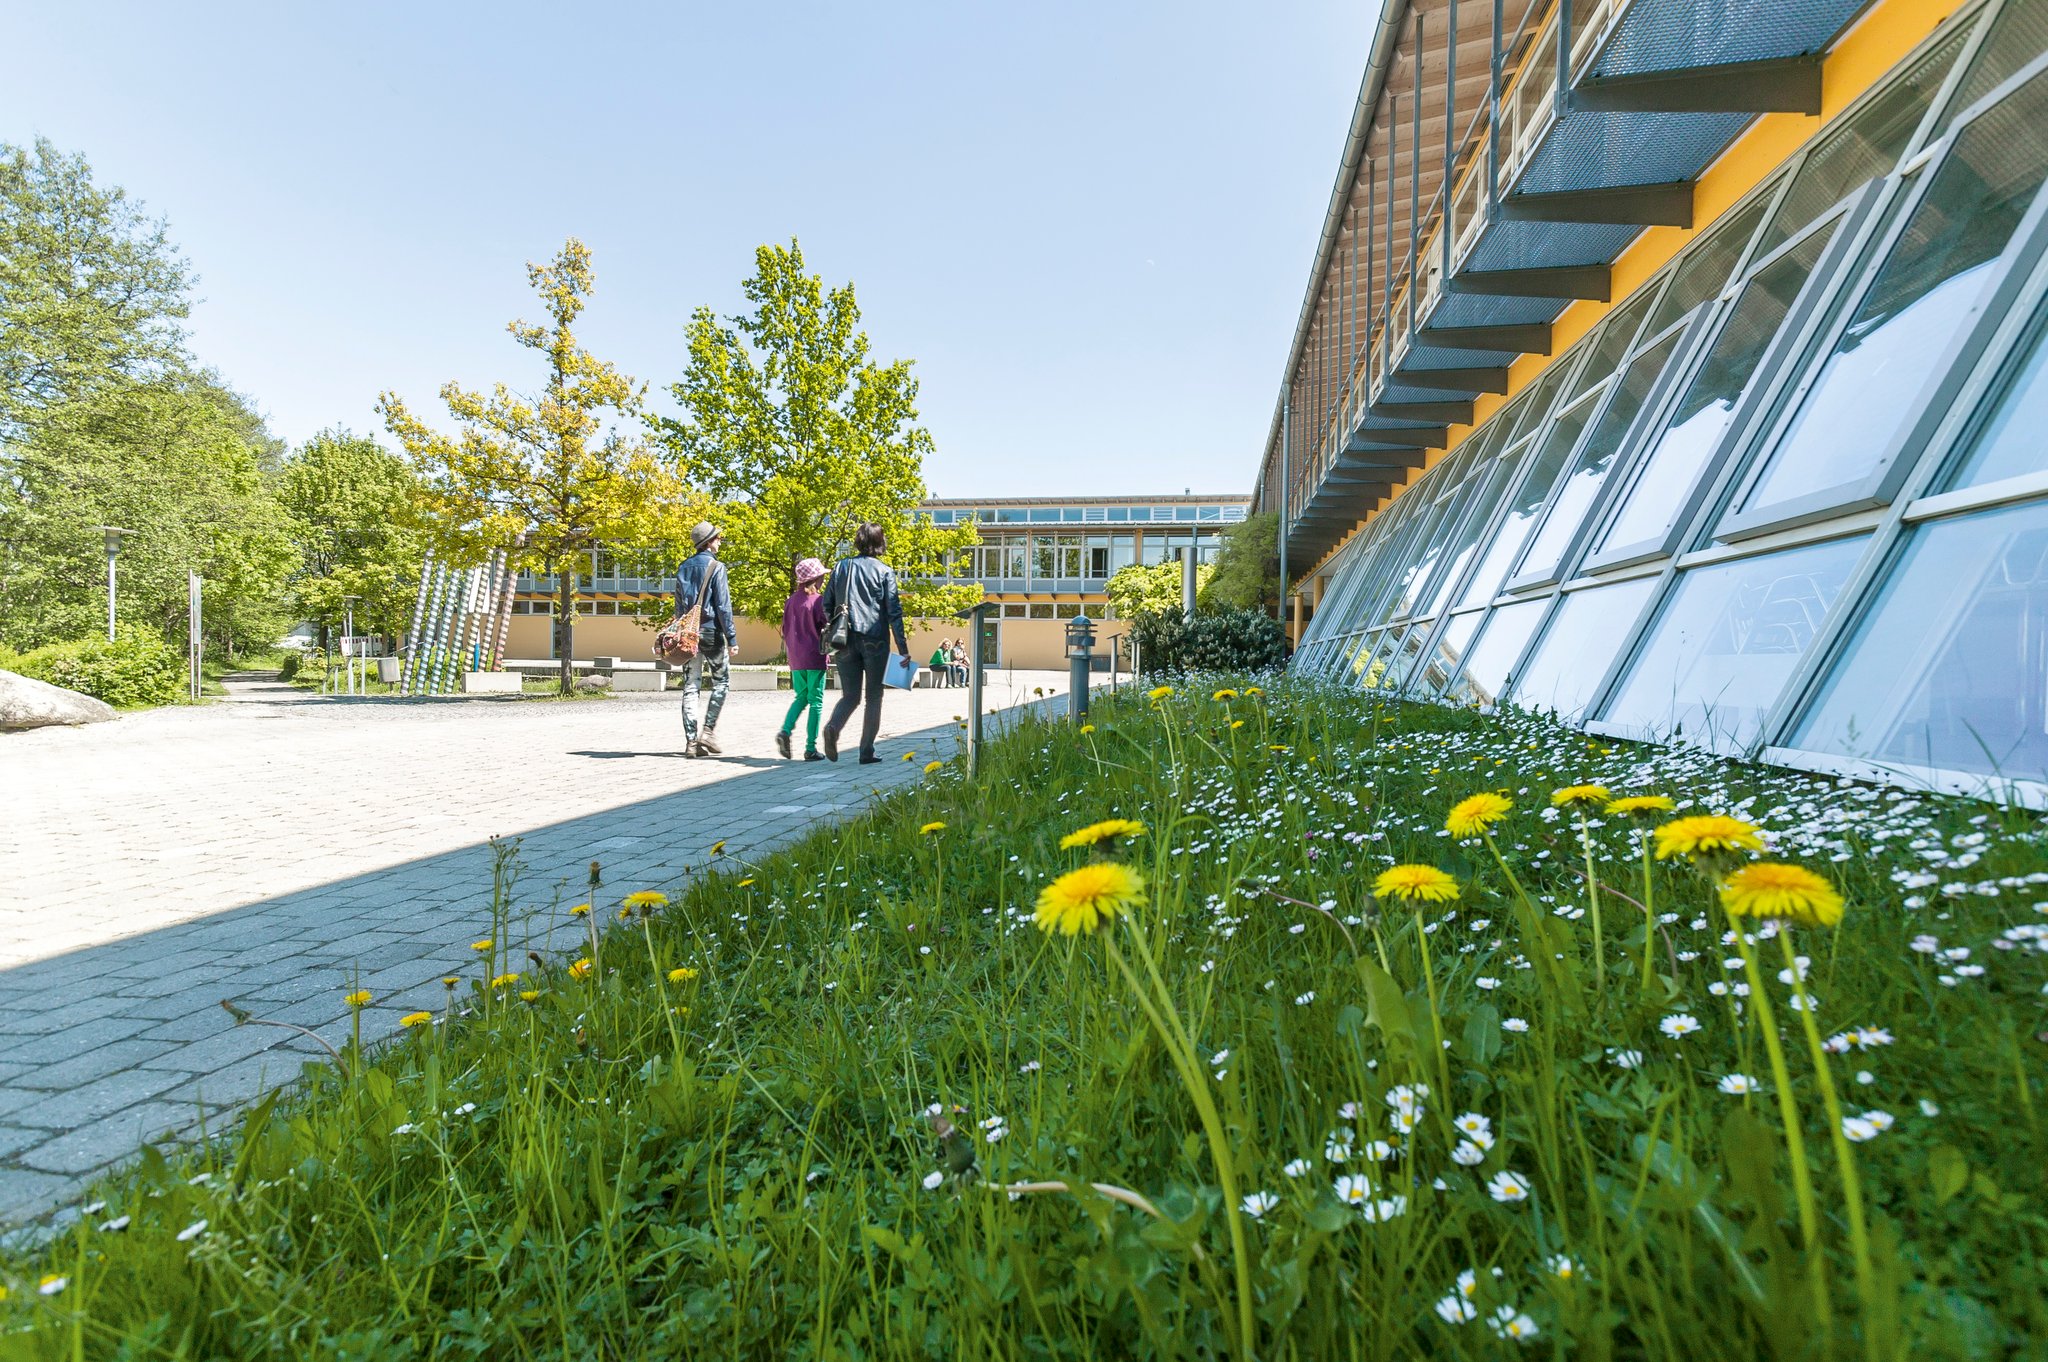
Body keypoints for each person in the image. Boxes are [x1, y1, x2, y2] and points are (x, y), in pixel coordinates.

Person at [819, 522, 909, 764]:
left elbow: (825, 604)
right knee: (874, 697)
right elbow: (894, 613)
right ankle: (866, 751)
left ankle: (833, 727)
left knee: (850, 696)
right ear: (880, 542)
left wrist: (836, 623)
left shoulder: (841, 567)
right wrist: (903, 649)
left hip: (844, 639)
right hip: (875, 640)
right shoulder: (884, 571)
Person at [673, 521, 737, 757]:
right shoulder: (716, 567)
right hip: (712, 633)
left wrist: (679, 632)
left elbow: (679, 607)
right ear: (709, 542)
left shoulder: (683, 567)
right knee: (721, 682)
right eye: (718, 538)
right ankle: (708, 732)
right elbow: (723, 605)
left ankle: (691, 743)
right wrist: (731, 637)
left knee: (691, 686)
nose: (720, 541)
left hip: (688, 634)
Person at [777, 558, 830, 760]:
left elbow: (785, 628)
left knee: (801, 697)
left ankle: (785, 730)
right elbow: (827, 627)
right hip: (815, 656)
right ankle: (810, 748)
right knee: (816, 701)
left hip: (796, 657)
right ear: (815, 578)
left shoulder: (791, 600)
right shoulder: (818, 600)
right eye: (822, 576)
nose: (824, 579)